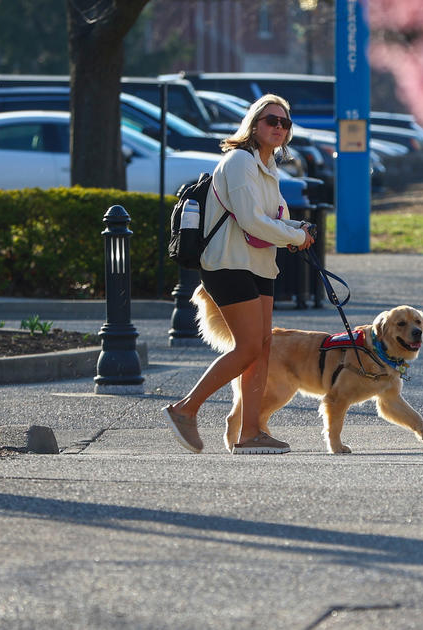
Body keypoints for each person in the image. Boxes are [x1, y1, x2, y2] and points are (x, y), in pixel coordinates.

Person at [163, 94, 315, 455]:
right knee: (247, 347)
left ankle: (250, 433)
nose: (278, 128)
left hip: (259, 265)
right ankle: (185, 409)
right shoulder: (238, 162)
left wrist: (299, 228)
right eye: (271, 121)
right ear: (253, 124)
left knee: (261, 351)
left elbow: (272, 218)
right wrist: (295, 235)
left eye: (285, 123)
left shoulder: (268, 167)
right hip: (227, 263)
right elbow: (250, 220)